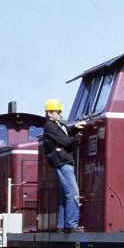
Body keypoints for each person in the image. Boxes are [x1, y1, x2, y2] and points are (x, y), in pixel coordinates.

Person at [42, 98, 87, 232]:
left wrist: (75, 127)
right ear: (50, 113)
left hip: (62, 161)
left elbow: (65, 131)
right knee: (73, 194)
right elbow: (65, 141)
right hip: (62, 162)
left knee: (65, 195)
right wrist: (77, 137)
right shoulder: (50, 127)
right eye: (57, 112)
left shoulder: (55, 125)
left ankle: (61, 226)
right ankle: (71, 225)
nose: (60, 114)